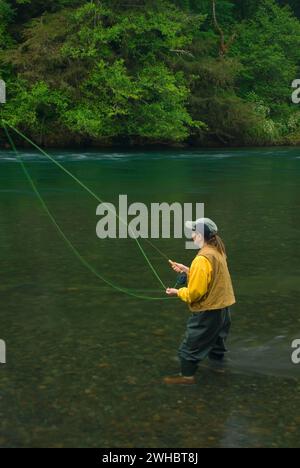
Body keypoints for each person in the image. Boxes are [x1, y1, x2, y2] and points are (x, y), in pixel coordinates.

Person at [164, 218, 236, 385]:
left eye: (195, 232)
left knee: (189, 347)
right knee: (217, 343)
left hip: (208, 312)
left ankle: (186, 378)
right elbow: (211, 278)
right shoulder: (218, 251)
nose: (192, 235)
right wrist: (188, 271)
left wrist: (177, 292)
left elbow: (195, 293)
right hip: (223, 311)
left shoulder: (201, 259)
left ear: (202, 235)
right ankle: (219, 370)